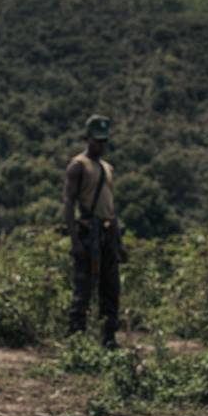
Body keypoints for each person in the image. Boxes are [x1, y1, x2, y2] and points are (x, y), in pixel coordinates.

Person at [64, 114, 127, 349]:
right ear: (87, 138)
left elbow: (111, 207)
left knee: (111, 287)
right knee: (84, 286)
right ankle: (76, 339)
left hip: (108, 232)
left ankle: (109, 337)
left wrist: (119, 242)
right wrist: (75, 242)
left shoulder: (107, 168)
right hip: (88, 231)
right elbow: (69, 203)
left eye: (104, 141)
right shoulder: (78, 165)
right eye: (97, 140)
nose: (100, 145)